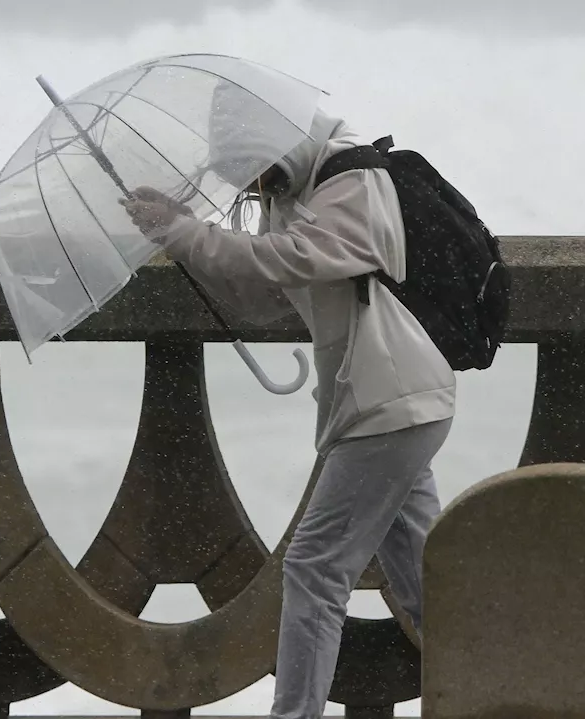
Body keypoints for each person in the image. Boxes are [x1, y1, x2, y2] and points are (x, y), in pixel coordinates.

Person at [119, 91, 456, 719]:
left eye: (255, 169)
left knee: (314, 568)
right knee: (427, 594)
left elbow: (289, 262)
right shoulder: (295, 195)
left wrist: (188, 233)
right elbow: (264, 295)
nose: (254, 185)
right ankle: (504, 690)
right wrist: (183, 228)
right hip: (388, 405)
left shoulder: (354, 177)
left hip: (392, 403)